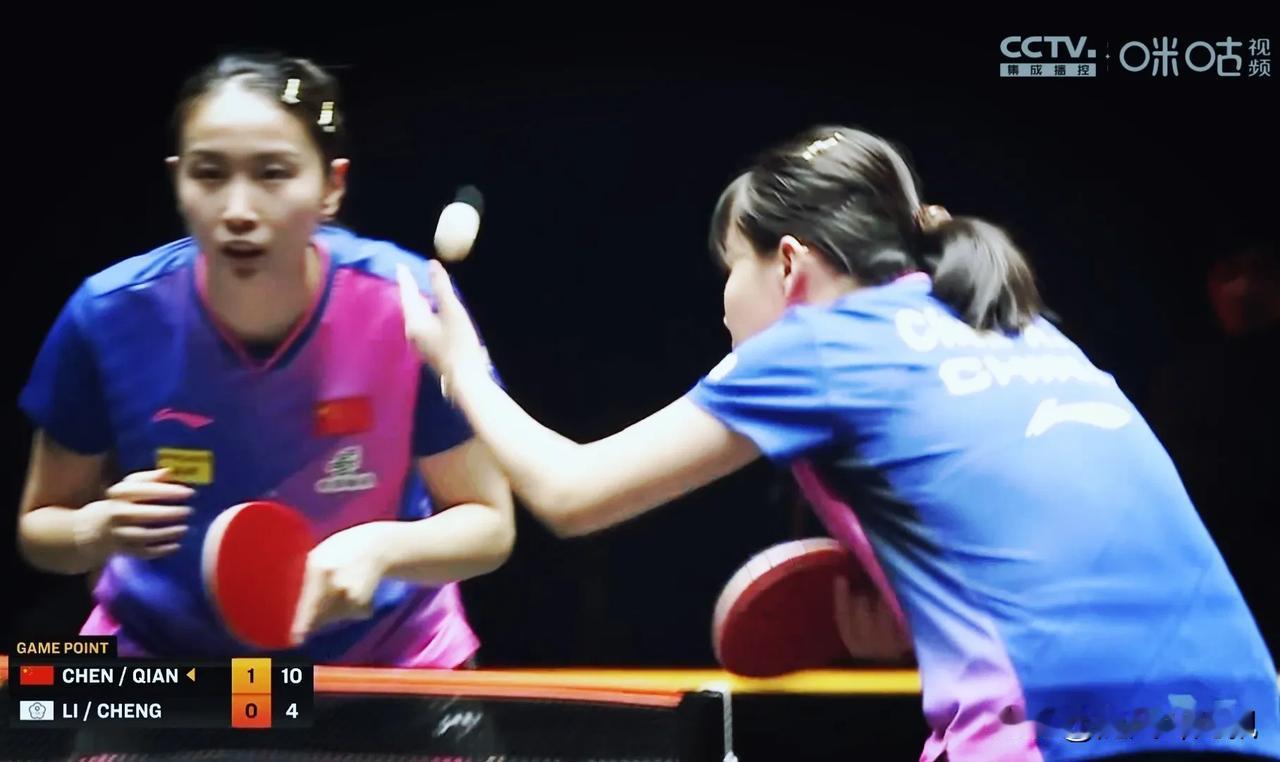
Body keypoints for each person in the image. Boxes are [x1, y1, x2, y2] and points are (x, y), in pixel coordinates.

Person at [398, 126, 1280, 759]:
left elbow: (571, 493)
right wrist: (907, 623)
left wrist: (462, 370)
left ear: (788, 265)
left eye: (730, 271)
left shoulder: (818, 345)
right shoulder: (1021, 326)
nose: (723, 306)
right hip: (1246, 720)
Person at [17, 53, 514, 667]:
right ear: (178, 181)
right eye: (208, 174)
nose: (238, 210)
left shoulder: (409, 309)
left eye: (273, 174)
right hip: (163, 663)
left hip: (387, 663)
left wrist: (385, 550)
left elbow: (488, 524)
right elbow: (39, 527)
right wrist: (91, 531)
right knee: (39, 700)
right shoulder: (106, 315)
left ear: (331, 187)